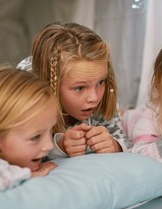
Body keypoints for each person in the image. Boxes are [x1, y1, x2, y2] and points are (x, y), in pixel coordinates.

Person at [17, 22, 130, 158]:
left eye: (101, 82)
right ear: (51, 85)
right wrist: (60, 146)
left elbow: (121, 137)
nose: (94, 97)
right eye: (80, 88)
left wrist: (115, 145)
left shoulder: (103, 93)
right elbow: (20, 152)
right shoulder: (26, 98)